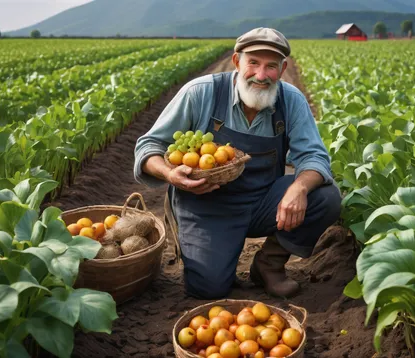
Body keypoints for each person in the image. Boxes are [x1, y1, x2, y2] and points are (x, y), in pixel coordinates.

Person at [134, 27, 341, 299]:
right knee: (209, 288)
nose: (261, 75)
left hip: (262, 201)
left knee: (325, 196)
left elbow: (314, 157)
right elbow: (148, 147)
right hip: (205, 204)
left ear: (283, 68)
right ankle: (212, 257)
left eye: (271, 66)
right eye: (253, 63)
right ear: (236, 62)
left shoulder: (290, 100)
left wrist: (299, 189)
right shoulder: (201, 93)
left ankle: (269, 265)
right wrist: (170, 174)